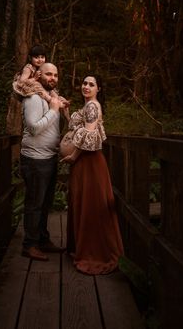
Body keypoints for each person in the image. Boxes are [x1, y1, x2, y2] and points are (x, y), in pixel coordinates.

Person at [60, 74, 124, 275]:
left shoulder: (93, 106)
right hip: (84, 162)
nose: (86, 86)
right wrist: (67, 114)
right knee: (83, 202)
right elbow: (79, 128)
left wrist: (73, 156)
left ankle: (95, 253)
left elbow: (88, 136)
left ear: (99, 89)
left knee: (91, 205)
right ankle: (82, 246)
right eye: (84, 83)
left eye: (91, 84)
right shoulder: (87, 107)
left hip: (88, 161)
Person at [20, 62, 65, 261]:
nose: (52, 78)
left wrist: (59, 109)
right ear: (38, 75)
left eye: (55, 74)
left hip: (49, 157)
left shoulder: (51, 97)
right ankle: (29, 245)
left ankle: (43, 240)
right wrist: (54, 110)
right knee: (34, 204)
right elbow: (34, 128)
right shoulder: (32, 97)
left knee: (45, 204)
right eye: (48, 74)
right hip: (35, 159)